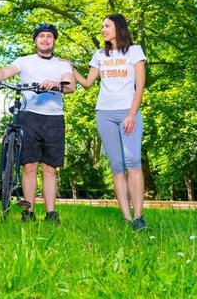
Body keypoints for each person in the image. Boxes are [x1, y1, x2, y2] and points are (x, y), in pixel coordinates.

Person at [0, 24, 75, 224]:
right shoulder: (25, 61)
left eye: (49, 36)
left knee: (50, 168)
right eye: (41, 36)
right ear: (35, 41)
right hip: (28, 116)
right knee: (29, 166)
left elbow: (70, 85)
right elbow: (4, 73)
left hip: (53, 118)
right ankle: (28, 213)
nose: (45, 40)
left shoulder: (61, 64)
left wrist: (55, 84)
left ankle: (50, 214)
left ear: (54, 41)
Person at [72, 14, 148, 230]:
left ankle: (139, 218)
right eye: (102, 26)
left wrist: (132, 114)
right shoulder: (99, 55)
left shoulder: (134, 51)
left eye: (106, 25)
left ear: (118, 27)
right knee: (117, 167)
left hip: (127, 112)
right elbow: (87, 83)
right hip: (104, 113)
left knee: (133, 164)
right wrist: (71, 68)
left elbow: (140, 85)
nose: (103, 29)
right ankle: (126, 219)